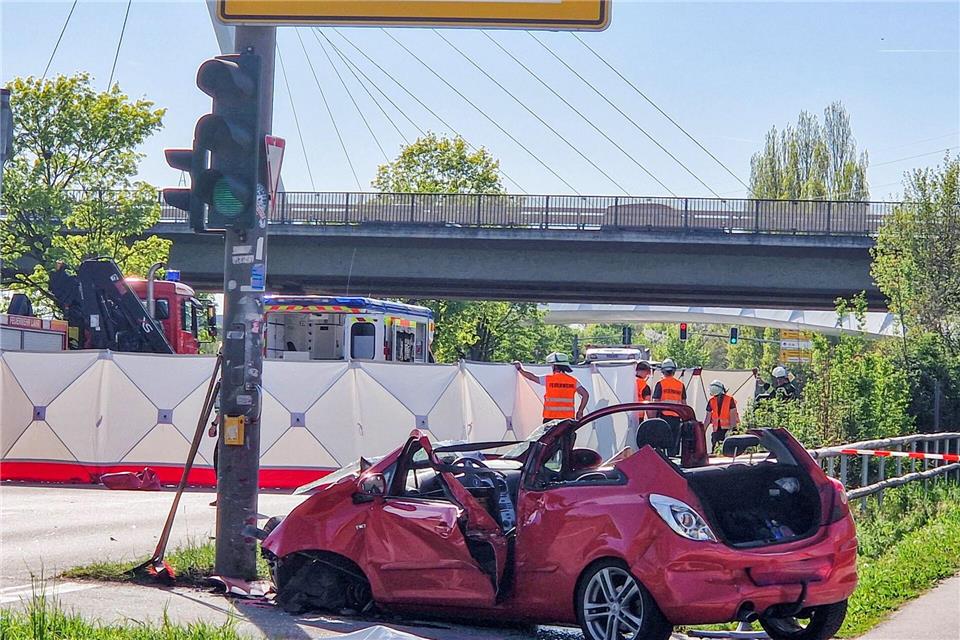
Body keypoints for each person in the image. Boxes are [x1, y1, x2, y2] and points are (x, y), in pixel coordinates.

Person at [514, 352, 590, 422]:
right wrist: (580, 411)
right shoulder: (573, 381)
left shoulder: (548, 379)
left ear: (555, 366)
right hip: (567, 419)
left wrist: (520, 369)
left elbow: (532, 377)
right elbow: (585, 395)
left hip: (550, 418)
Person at [704, 380, 739, 450]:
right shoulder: (712, 401)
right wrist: (702, 432)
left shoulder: (729, 400)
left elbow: (733, 418)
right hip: (718, 431)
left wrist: (732, 432)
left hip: (727, 430)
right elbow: (707, 419)